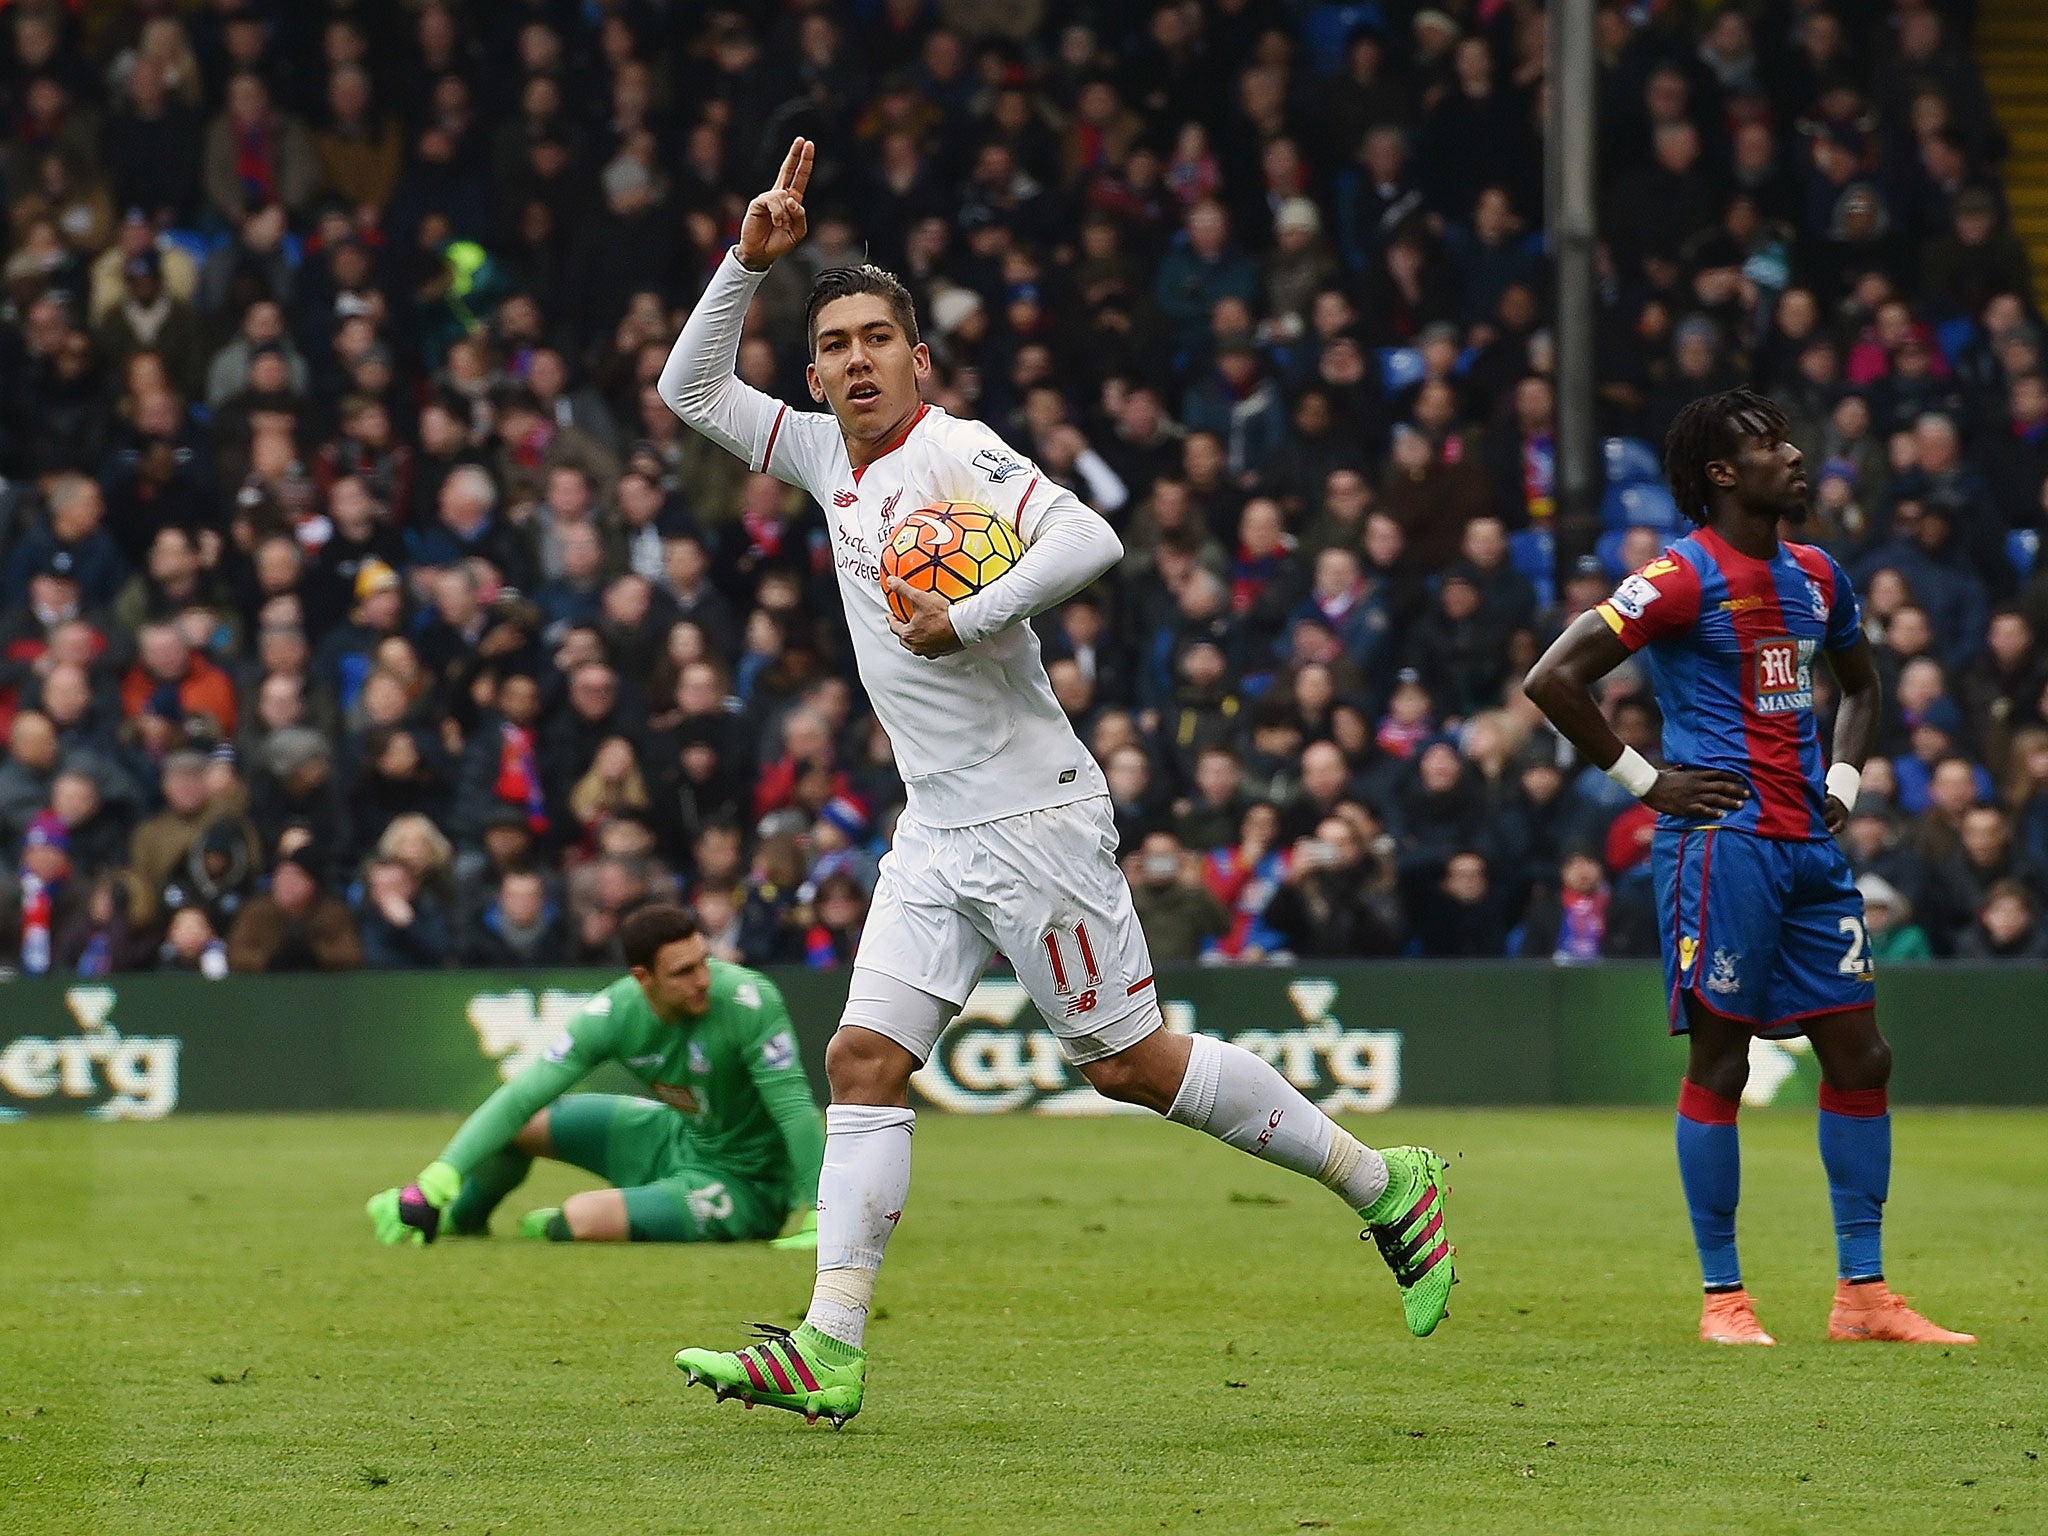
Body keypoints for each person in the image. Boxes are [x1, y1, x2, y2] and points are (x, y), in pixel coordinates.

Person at [656, 141, 1456, 1429]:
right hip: (936, 829)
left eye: (877, 339)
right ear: (812, 374)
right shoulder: (821, 461)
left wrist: (966, 616)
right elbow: (687, 387)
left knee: (1128, 1065)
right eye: (835, 344)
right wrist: (746, 264)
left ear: (918, 359)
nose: (856, 360)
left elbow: (1091, 535)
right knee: (861, 1060)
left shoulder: (956, 451)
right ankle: (828, 1343)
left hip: (1032, 820)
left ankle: (1381, 1181)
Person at [1525, 387, 1971, 1348]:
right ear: (1723, 473)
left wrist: (1843, 780)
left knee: (1863, 1054)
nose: (1793, 454)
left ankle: (1864, 1296)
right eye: (1769, 444)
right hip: (1722, 849)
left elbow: (1860, 684)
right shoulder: (1680, 576)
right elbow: (1552, 678)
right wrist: (1650, 782)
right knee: (1723, 1062)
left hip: (1809, 849)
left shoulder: (1818, 574)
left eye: (1787, 439)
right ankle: (1723, 1299)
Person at [366, 904, 824, 1247]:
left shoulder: (748, 1000)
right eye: (683, 972)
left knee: (580, 1219)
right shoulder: (616, 1012)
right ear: (643, 978)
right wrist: (437, 1177)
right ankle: (460, 1219)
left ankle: (557, 1225)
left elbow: (795, 1108)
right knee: (520, 1125)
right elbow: (523, 1094)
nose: (703, 979)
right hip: (673, 1137)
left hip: (745, 1185)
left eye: (703, 961)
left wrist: (825, 1217)